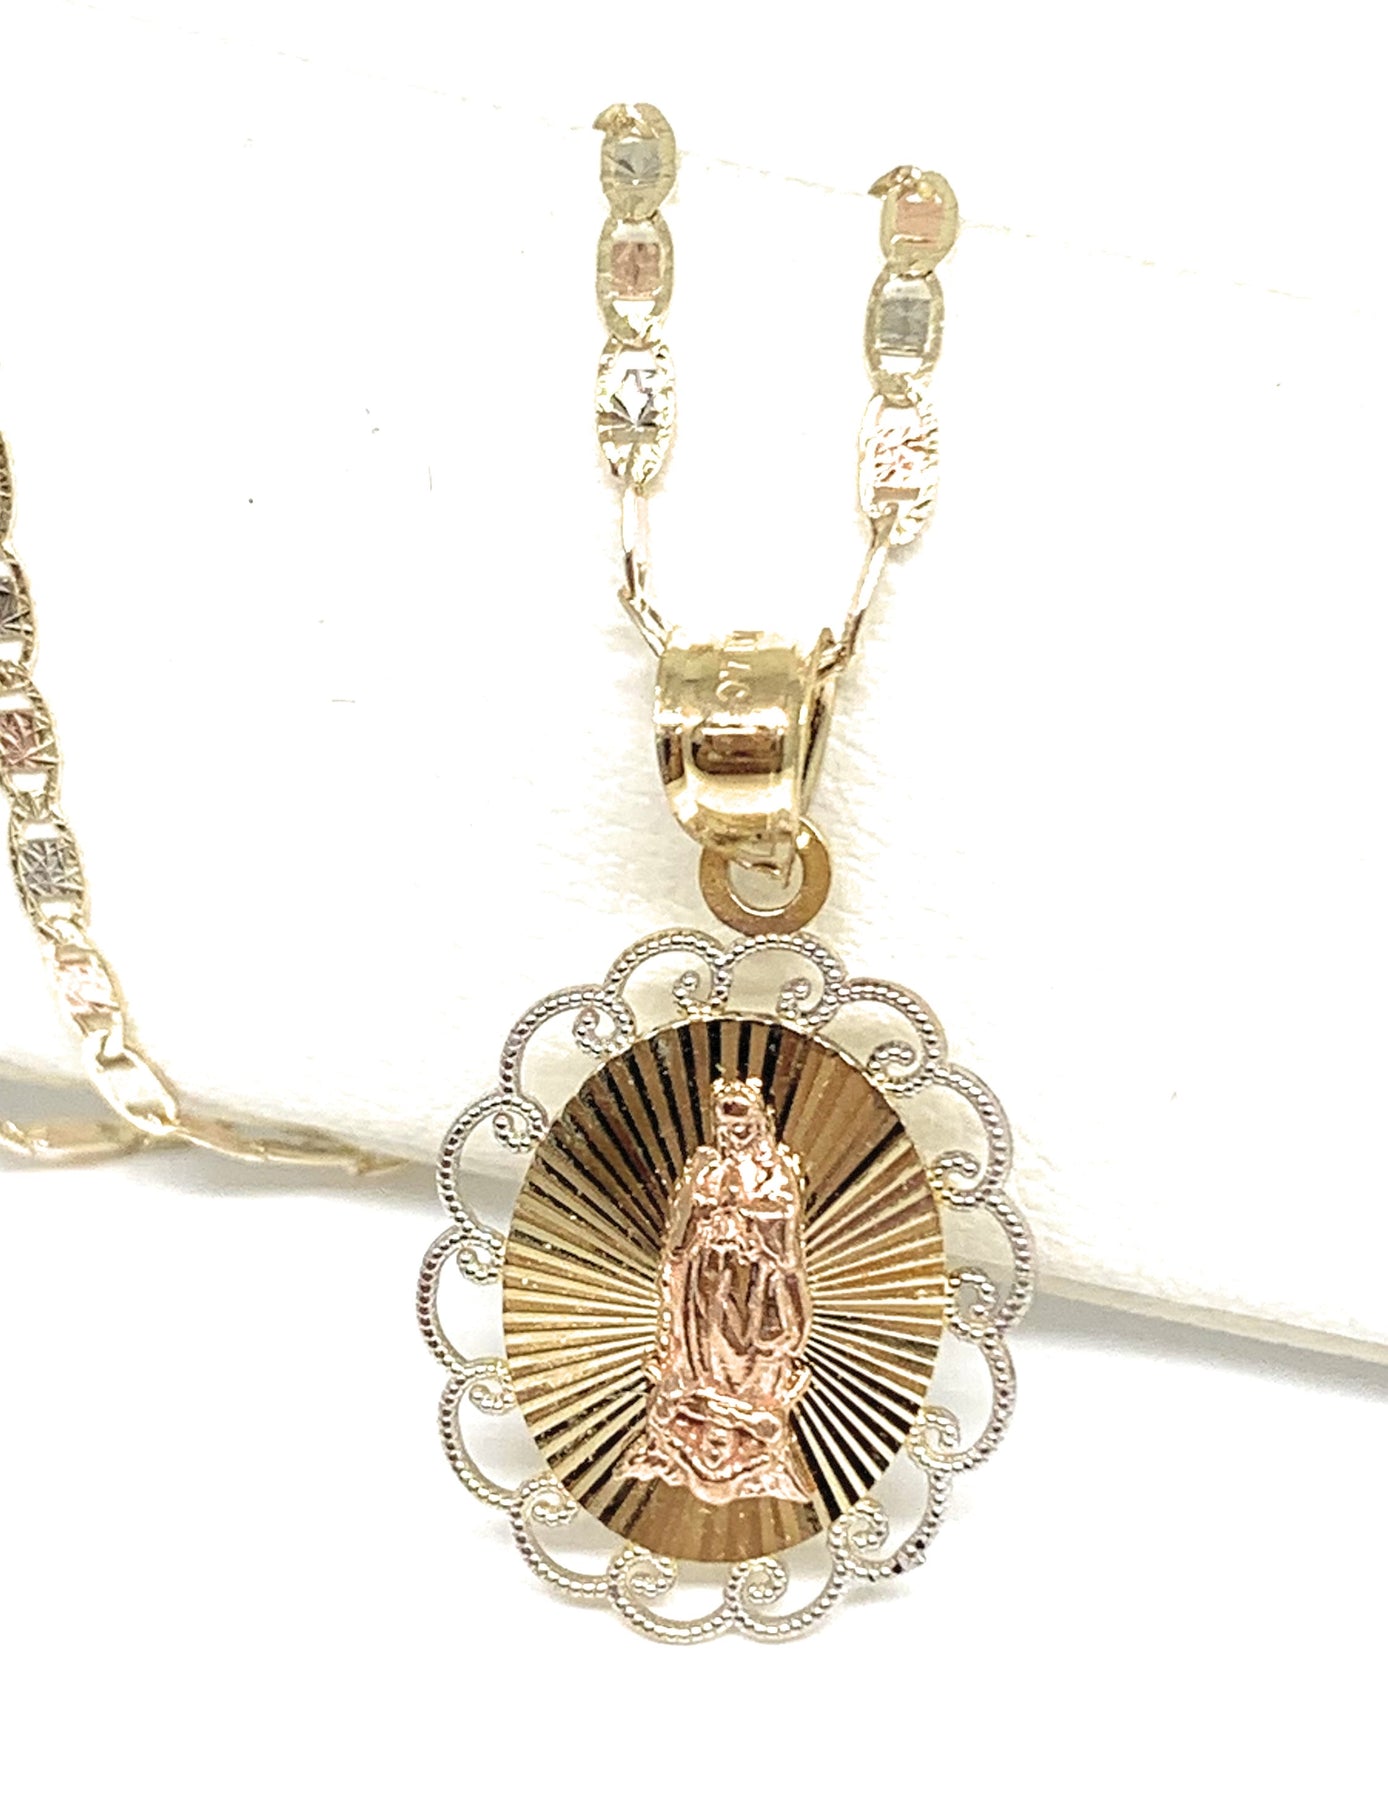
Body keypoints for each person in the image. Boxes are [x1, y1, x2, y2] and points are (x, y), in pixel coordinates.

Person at [622, 1077, 815, 1505]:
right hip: (706, 1282)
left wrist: (745, 1220)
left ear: (761, 1124)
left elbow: (784, 1231)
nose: (736, 1133)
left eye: (743, 1124)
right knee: (706, 1347)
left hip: (754, 1288)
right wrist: (705, 1221)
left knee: (746, 1358)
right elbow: (682, 1234)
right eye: (728, 1126)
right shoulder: (709, 1170)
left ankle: (738, 1402)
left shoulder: (773, 1174)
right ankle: (703, 1391)